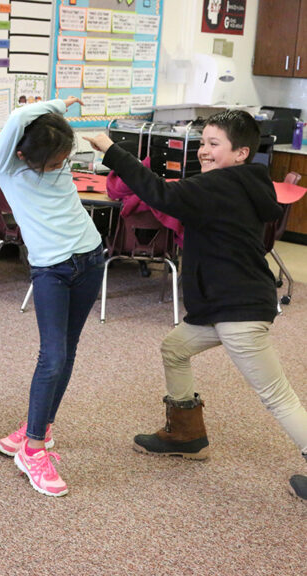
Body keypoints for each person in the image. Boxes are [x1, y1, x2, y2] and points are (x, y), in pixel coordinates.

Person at [85, 109, 307, 502]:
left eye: (214, 144)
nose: (203, 151)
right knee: (174, 347)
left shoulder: (220, 186)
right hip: (219, 306)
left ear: (240, 153)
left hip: (238, 310)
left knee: (276, 395)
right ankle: (186, 434)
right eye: (202, 142)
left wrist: (110, 150)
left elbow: (159, 194)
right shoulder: (239, 183)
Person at [0, 97, 104, 497]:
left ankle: (38, 428)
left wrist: (62, 112)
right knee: (51, 356)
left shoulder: (54, 149)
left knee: (67, 352)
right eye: (53, 163)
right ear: (25, 155)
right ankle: (32, 451)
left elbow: (43, 130)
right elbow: (20, 116)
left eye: (63, 160)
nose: (60, 167)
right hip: (52, 270)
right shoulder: (5, 163)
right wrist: (57, 102)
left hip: (91, 257)